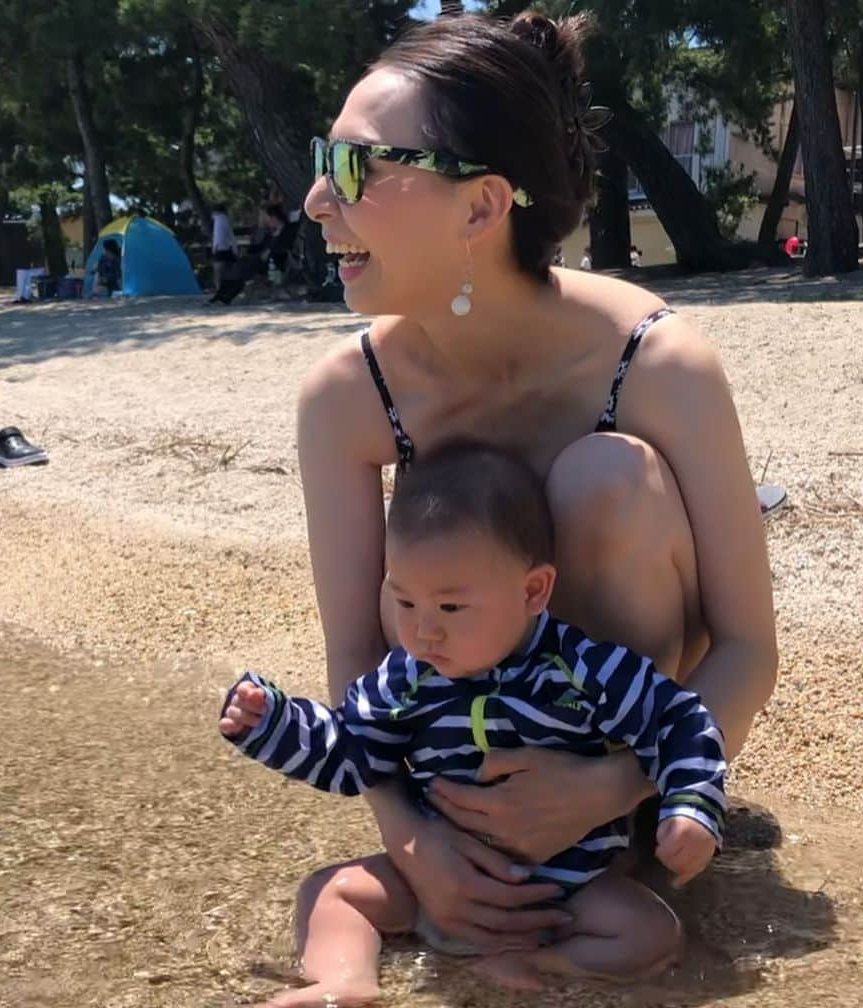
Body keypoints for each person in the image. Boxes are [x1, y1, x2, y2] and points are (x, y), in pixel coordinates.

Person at [296, 10, 776, 956]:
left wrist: (617, 783)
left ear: (480, 208)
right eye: (324, 159)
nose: (316, 199)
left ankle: (617, 855)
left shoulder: (656, 365)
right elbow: (357, 663)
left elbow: (748, 650)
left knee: (605, 478)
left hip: (631, 753)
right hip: (453, 772)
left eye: (356, 167)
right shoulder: (350, 397)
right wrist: (416, 843)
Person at [221, 443, 726, 1008]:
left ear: (533, 591)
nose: (423, 633)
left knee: (650, 933)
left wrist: (691, 804)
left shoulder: (582, 670)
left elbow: (680, 718)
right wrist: (275, 724)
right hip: (436, 883)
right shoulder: (408, 678)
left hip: (562, 893)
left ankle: (534, 961)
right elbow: (352, 755)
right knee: (330, 893)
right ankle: (344, 978)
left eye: (450, 609)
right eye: (404, 602)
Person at [209, 203, 293, 305]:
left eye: (267, 217)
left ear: (274, 217)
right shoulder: (272, 232)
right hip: (260, 259)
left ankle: (227, 296)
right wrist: (249, 250)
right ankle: (222, 294)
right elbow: (260, 246)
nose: (266, 220)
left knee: (242, 267)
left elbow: (283, 247)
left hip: (272, 261)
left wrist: (269, 251)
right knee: (238, 267)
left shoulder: (286, 231)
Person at [210, 203, 237, 291]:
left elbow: (218, 235)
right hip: (229, 249)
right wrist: (234, 248)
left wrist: (215, 247)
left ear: (215, 212)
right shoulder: (227, 219)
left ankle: (219, 291)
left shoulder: (218, 220)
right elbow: (231, 235)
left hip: (220, 249)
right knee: (229, 273)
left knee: (217, 273)